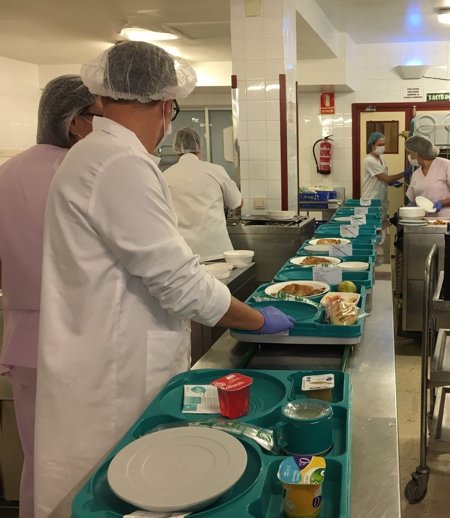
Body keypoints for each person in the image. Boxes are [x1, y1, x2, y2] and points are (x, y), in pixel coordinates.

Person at [33, 42, 294, 518]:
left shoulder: (95, 154)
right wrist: (256, 319)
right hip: (112, 379)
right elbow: (181, 284)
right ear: (165, 104)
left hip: (104, 362)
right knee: (111, 493)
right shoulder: (119, 163)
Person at [0, 75, 100, 518]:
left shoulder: (7, 173)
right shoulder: (81, 174)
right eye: (103, 116)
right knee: (83, 466)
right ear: (77, 122)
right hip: (79, 340)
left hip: (24, 344)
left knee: (38, 463)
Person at [165, 127, 243, 261]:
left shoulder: (165, 176)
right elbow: (237, 203)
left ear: (175, 148)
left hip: (184, 256)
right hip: (217, 250)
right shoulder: (215, 170)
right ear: (199, 146)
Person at [404, 134, 450, 218]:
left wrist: (443, 203)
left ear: (418, 153)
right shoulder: (416, 174)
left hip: (445, 220)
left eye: (410, 153)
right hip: (423, 221)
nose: (409, 157)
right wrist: (410, 207)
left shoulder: (445, 165)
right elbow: (412, 199)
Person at [361, 131, 408, 205]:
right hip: (371, 199)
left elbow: (382, 176)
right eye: (379, 145)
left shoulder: (381, 158)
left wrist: (390, 182)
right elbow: (385, 178)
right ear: (372, 145)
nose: (382, 147)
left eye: (383, 144)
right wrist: (404, 173)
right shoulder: (369, 160)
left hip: (381, 197)